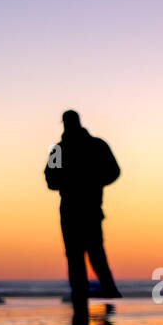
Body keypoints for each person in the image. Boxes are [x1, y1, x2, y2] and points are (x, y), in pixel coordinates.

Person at [44, 110, 121, 302]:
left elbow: (113, 171)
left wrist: (93, 182)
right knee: (85, 255)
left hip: (83, 209)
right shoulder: (61, 149)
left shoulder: (70, 148)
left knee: (88, 255)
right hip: (79, 208)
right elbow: (50, 179)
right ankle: (91, 295)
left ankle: (100, 294)